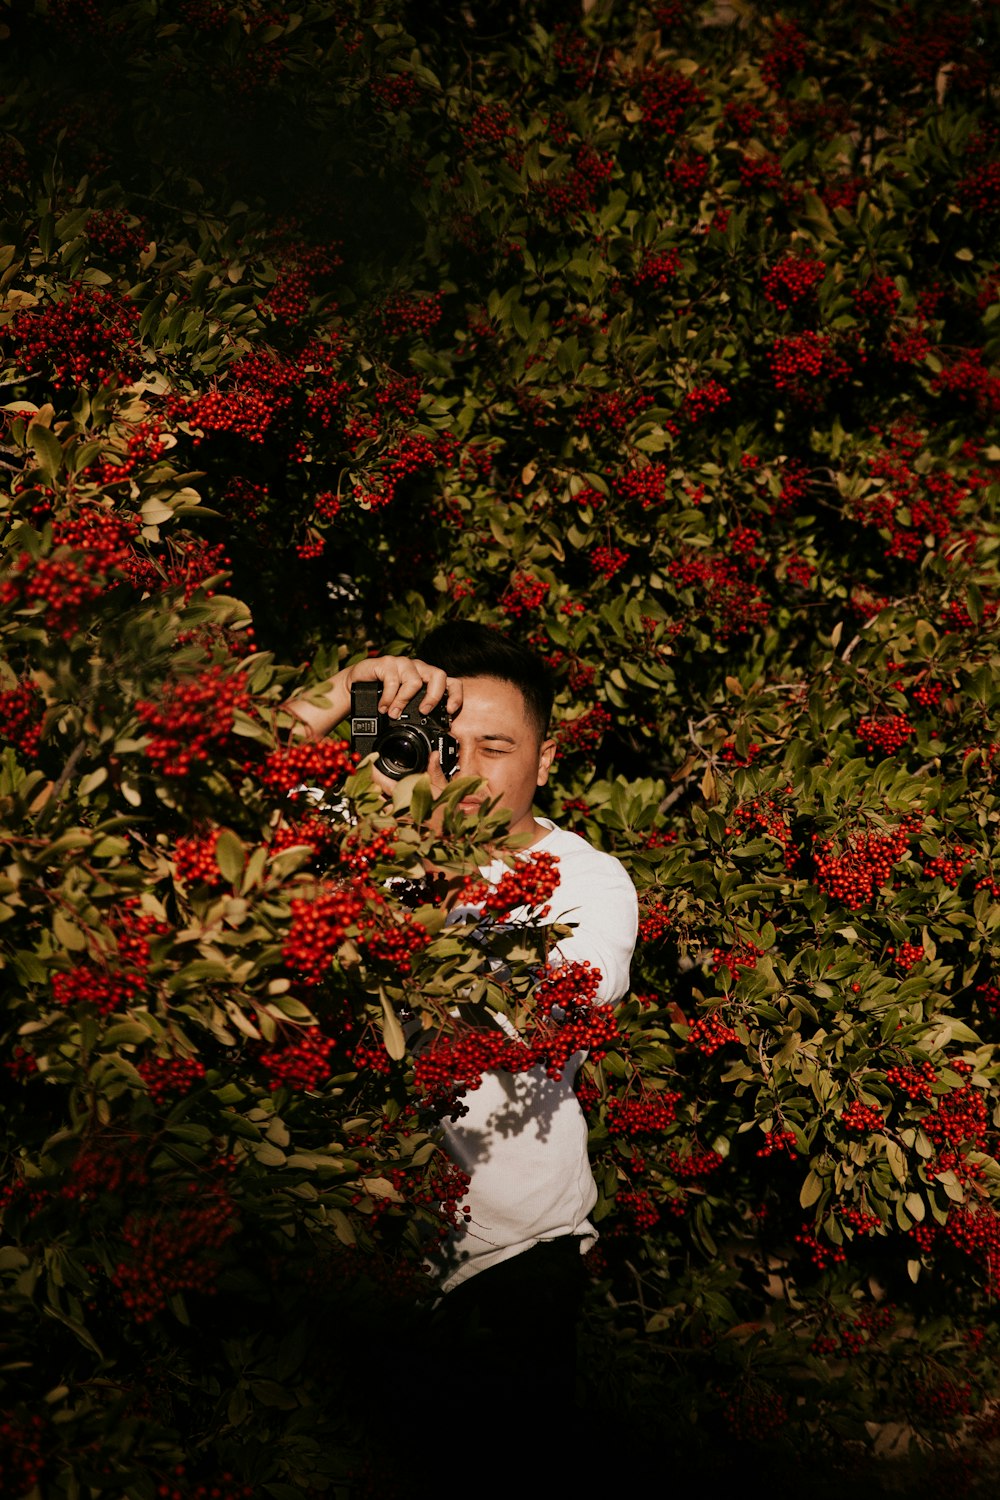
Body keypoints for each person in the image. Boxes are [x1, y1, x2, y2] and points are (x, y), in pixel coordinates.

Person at [288, 622, 638, 1489]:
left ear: (546, 759)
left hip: (512, 1263)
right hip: (352, 1245)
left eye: (496, 746)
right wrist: (346, 693)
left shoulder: (584, 881)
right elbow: (217, 788)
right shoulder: (363, 828)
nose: (466, 768)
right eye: (445, 744)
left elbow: (526, 1022)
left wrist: (414, 847)